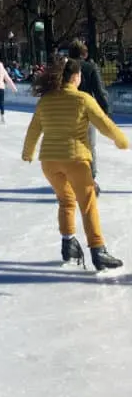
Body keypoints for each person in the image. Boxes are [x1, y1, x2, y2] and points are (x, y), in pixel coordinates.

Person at [22, 56, 126, 272]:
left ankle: (68, 244)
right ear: (76, 77)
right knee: (87, 204)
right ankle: (98, 250)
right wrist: (121, 141)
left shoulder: (46, 100)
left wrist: (27, 152)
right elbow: (105, 124)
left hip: (49, 162)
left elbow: (34, 129)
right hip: (76, 160)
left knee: (66, 201)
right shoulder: (83, 99)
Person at [67, 40, 109, 193]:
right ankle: (90, 179)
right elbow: (99, 91)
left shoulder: (63, 68)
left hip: (65, 111)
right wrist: (105, 111)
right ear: (84, 53)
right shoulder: (90, 67)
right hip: (85, 111)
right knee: (89, 145)